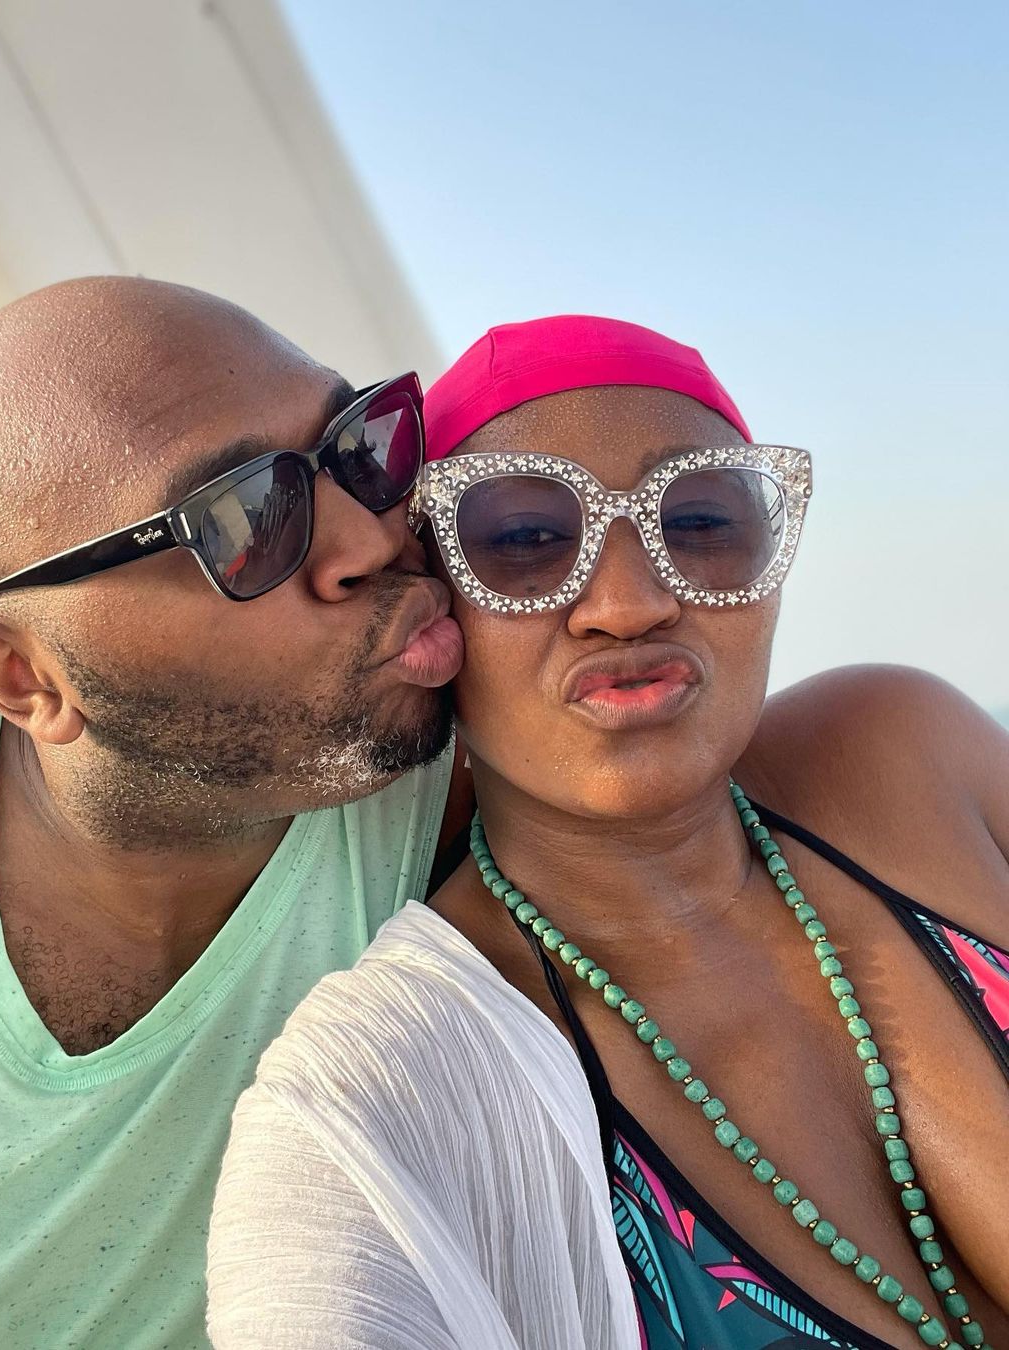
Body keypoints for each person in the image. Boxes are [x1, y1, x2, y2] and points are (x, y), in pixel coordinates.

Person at [208, 315, 1009, 1350]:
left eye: (701, 521)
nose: (629, 605)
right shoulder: (376, 1100)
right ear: (432, 608)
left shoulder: (903, 756)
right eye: (525, 541)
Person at [0, 275, 470, 1350]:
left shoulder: (474, 763)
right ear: (26, 678)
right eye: (244, 519)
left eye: (360, 446)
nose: (370, 538)